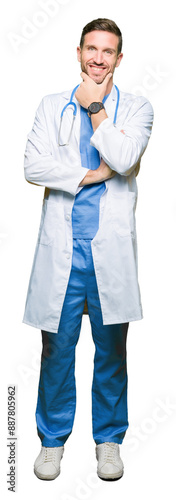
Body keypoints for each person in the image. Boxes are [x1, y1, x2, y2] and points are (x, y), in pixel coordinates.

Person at [23, 18, 154, 481]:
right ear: (78, 53)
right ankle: (52, 441)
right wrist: (88, 176)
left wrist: (95, 106)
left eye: (108, 51)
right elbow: (31, 164)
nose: (98, 58)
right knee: (56, 349)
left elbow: (122, 158)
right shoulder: (49, 105)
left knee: (111, 350)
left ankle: (109, 441)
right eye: (91, 49)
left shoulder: (138, 108)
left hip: (109, 256)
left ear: (120, 58)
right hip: (63, 251)